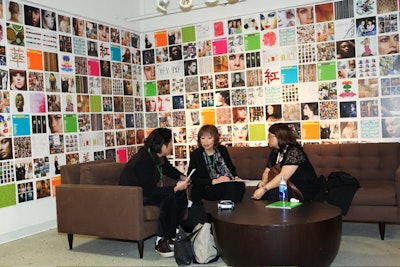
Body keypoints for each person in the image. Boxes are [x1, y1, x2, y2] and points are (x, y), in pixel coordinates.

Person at [119, 128, 190, 257]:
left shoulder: (155, 155)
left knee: (179, 193)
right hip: (133, 196)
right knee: (168, 198)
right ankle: (161, 241)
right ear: (162, 145)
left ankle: (172, 233)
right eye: (170, 144)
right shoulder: (144, 160)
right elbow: (149, 191)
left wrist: (182, 178)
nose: (171, 147)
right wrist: (174, 188)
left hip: (145, 191)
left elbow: (168, 169)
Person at [187, 125, 245, 223]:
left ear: (215, 139)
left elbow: (230, 167)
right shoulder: (196, 154)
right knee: (228, 188)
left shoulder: (222, 150)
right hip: (206, 187)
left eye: (209, 138)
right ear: (199, 140)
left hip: (223, 183)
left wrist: (235, 177)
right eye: (203, 138)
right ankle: (224, 219)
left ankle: (230, 216)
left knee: (239, 186)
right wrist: (214, 181)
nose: (206, 142)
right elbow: (194, 178)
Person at [252, 123, 320, 201]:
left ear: (279, 137)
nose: (268, 139)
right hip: (284, 185)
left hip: (300, 188)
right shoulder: (275, 152)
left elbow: (283, 176)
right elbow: (267, 171)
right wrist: (264, 182)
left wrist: (264, 189)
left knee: (271, 193)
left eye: (270, 136)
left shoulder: (294, 151)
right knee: (260, 188)